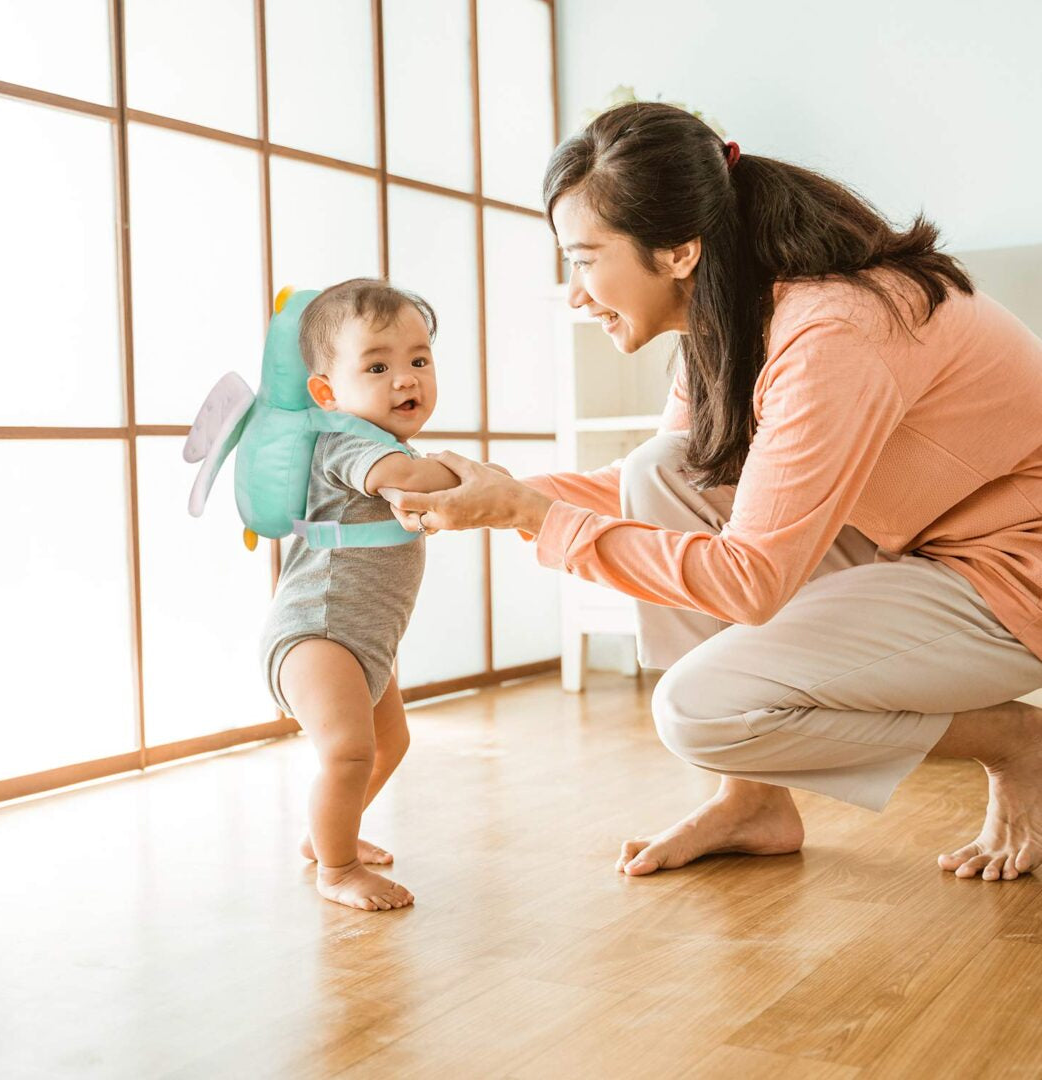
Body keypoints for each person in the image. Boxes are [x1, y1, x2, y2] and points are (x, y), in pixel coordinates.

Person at [380, 102, 1042, 884]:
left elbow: (752, 580)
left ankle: (1015, 742)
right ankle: (753, 803)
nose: (576, 295)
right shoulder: (732, 313)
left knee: (701, 710)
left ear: (679, 251)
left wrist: (528, 515)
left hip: (1011, 573)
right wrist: (481, 491)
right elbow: (654, 486)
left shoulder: (835, 330)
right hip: (920, 547)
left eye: (586, 260)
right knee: (659, 467)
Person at [259, 278, 459, 911]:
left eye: (418, 360)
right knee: (348, 750)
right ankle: (338, 868)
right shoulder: (349, 442)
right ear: (328, 392)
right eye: (378, 365)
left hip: (363, 637)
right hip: (319, 630)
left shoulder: (389, 441)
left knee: (388, 743)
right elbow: (401, 480)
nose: (406, 380)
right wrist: (470, 473)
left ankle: (328, 834)